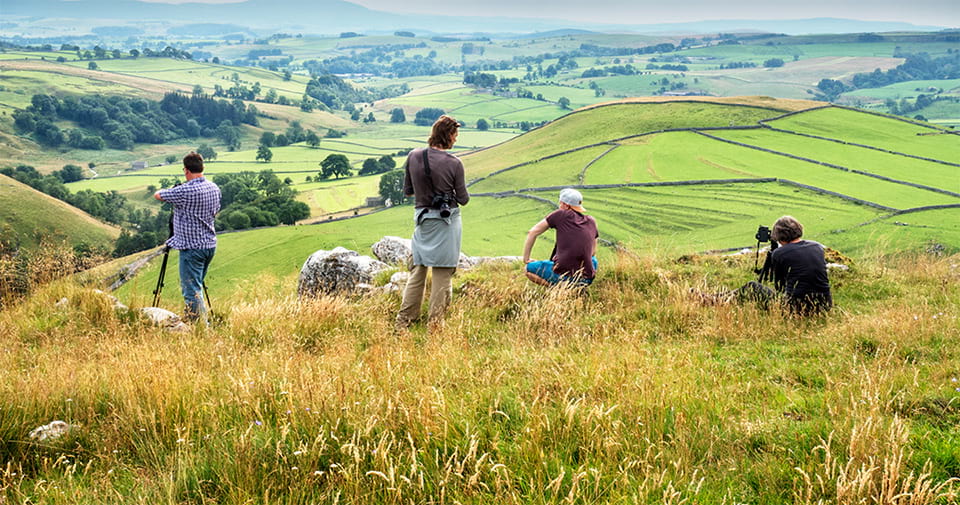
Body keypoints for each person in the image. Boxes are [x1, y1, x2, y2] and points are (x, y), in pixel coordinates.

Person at [396, 115, 470, 328]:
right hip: (447, 223)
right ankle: (435, 325)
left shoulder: (413, 156)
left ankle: (404, 322)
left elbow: (408, 191)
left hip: (422, 220)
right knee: (442, 274)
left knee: (417, 271)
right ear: (448, 135)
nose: (456, 139)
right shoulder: (454, 163)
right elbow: (464, 199)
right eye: (455, 134)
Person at [154, 152, 221, 323]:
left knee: (191, 290)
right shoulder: (214, 188)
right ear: (202, 167)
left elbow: (158, 195)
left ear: (186, 170)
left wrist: (175, 189)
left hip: (192, 248)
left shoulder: (185, 191)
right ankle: (197, 322)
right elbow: (216, 211)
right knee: (196, 287)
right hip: (209, 245)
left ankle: (200, 330)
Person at [739, 215, 832, 315]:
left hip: (795, 307)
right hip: (824, 305)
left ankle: (722, 299)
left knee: (752, 286)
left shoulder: (780, 253)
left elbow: (780, 286)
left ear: (778, 235)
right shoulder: (817, 246)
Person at [523, 188, 599, 286]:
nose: (559, 206)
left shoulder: (561, 214)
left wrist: (526, 259)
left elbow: (532, 232)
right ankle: (578, 286)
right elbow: (593, 252)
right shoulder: (591, 221)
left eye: (560, 203)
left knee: (528, 269)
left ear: (566, 205)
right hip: (587, 277)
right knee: (593, 259)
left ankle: (559, 289)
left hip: (564, 275)